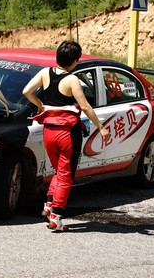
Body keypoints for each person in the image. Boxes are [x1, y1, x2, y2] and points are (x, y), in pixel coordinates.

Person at [22, 40, 111, 231]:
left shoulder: (45, 73)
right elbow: (85, 106)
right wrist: (101, 127)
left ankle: (48, 204)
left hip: (49, 131)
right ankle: (56, 215)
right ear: (75, 61)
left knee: (58, 171)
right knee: (65, 174)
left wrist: (40, 104)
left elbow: (26, 91)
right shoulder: (72, 80)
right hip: (67, 133)